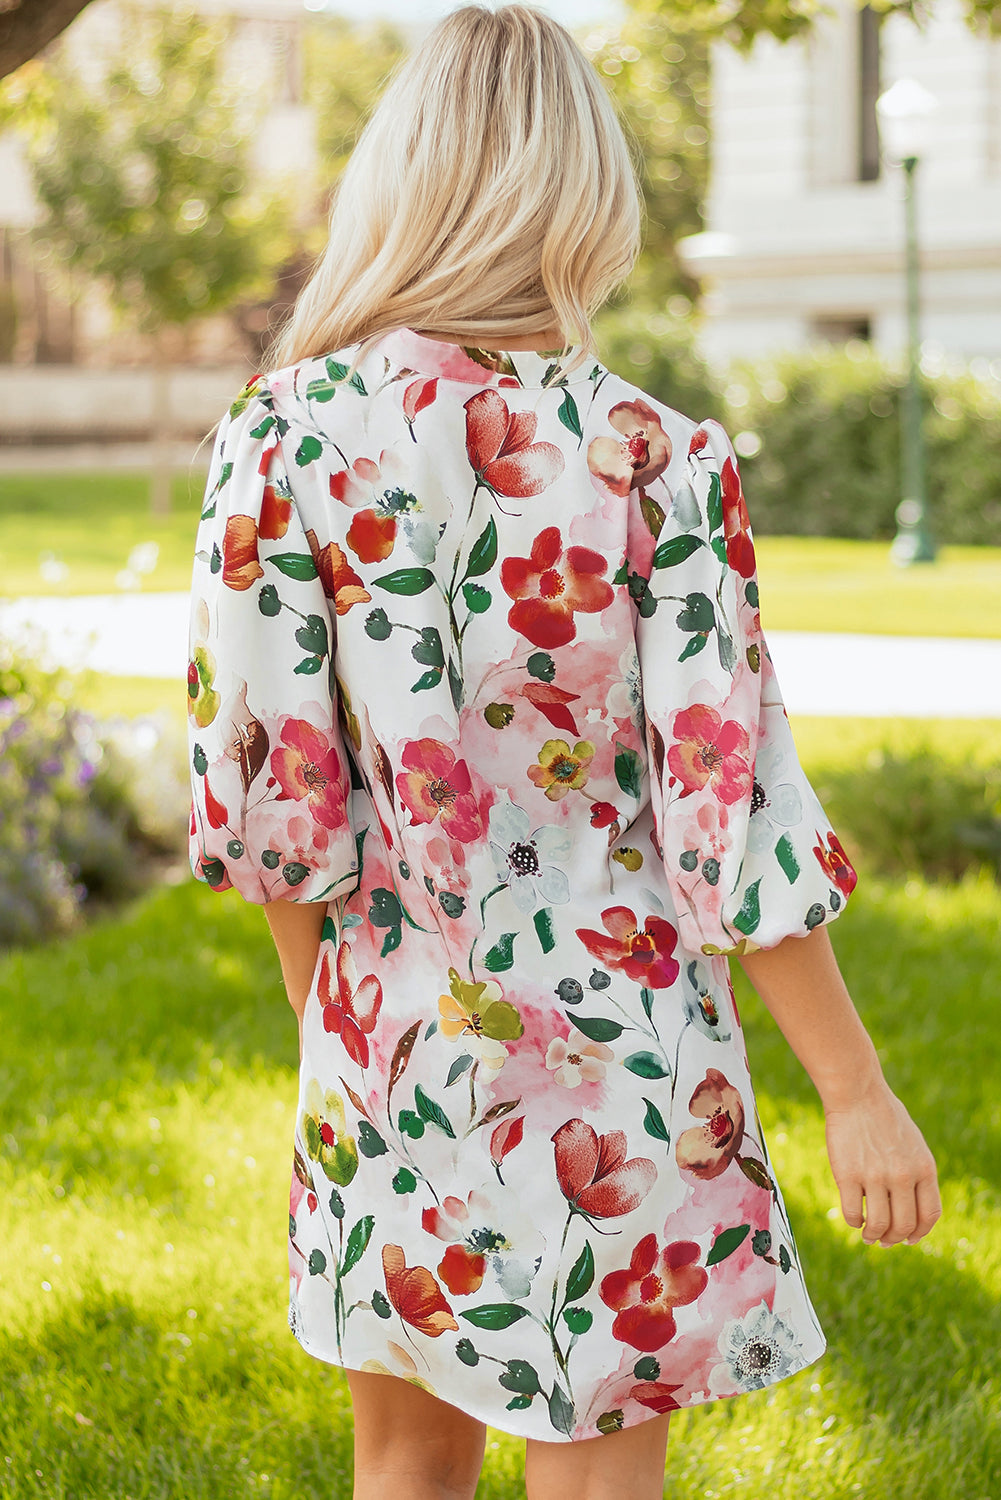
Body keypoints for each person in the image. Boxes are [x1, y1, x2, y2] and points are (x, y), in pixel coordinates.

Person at [186, 6, 941, 1497]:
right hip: (632, 1055)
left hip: (388, 1038)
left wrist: (330, 1013)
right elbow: (731, 808)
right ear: (581, 197)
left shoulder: (279, 440)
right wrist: (851, 1088)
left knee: (403, 1465)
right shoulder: (655, 458)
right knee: (598, 1474)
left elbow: (273, 794)